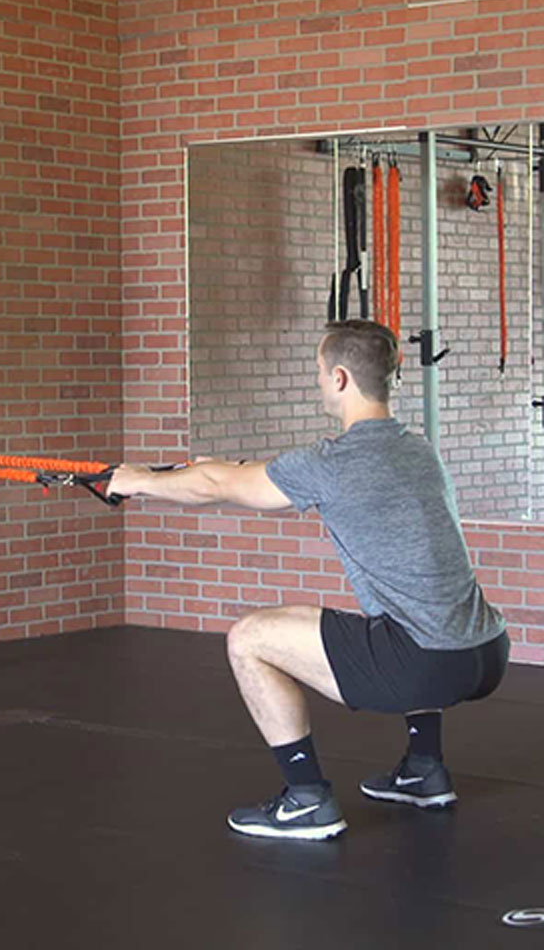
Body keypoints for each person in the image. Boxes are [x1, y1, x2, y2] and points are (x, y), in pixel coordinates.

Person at [107, 319, 509, 841]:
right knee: (403, 613)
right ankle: (423, 769)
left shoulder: (333, 462)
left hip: (424, 664)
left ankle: (306, 799)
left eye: (320, 372)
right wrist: (222, 469)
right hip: (485, 652)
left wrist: (137, 481)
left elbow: (215, 487)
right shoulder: (418, 450)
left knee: (249, 638)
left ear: (340, 378)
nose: (318, 381)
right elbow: (239, 473)